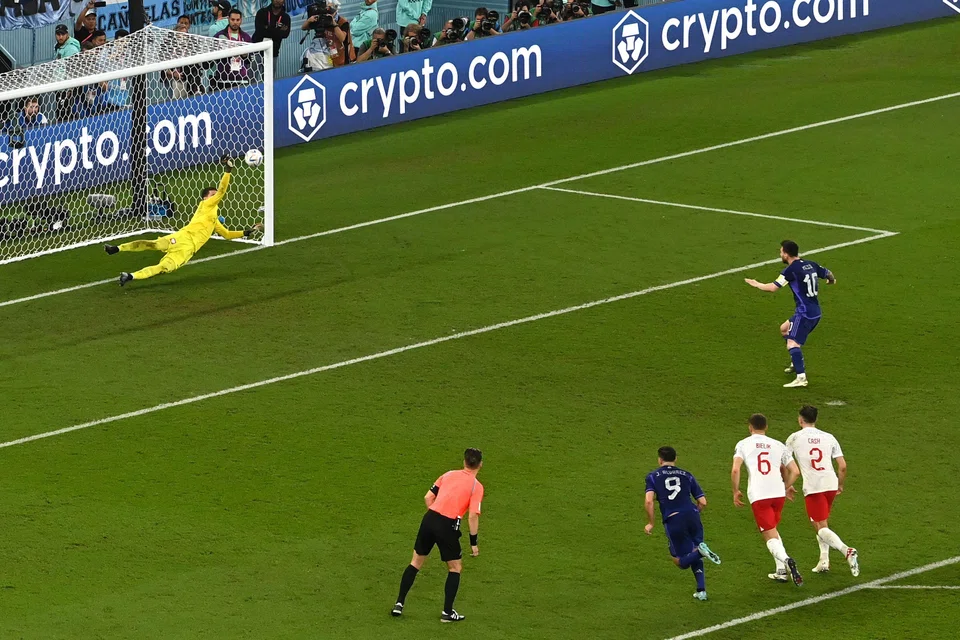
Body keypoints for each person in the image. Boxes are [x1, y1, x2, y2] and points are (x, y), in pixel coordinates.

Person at [106, 157, 261, 285]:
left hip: (186, 250)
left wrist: (246, 232)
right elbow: (222, 190)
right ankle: (117, 248)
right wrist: (228, 170)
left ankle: (130, 276)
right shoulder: (206, 205)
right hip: (181, 237)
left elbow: (226, 234)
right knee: (153, 244)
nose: (215, 197)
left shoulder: (214, 218)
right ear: (205, 198)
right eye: (212, 195)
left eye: (215, 195)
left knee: (162, 267)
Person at [391, 448, 484, 623]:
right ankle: (447, 613)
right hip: (447, 524)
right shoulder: (476, 486)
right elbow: (472, 516)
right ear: (480, 465)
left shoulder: (448, 474)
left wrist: (435, 518)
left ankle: (399, 604)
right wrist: (474, 542)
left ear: (464, 461)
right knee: (455, 568)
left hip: (429, 518)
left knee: (415, 562)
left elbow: (428, 498)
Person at [744, 240, 837, 388]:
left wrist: (757, 284)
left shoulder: (790, 271)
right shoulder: (811, 264)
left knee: (792, 343)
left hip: (804, 313)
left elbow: (773, 288)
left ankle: (801, 378)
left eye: (781, 252)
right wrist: (831, 281)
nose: (780, 254)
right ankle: (795, 361)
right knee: (784, 329)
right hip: (815, 311)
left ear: (786, 254)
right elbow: (828, 273)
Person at [785, 405, 859, 576]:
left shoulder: (794, 438)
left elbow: (785, 462)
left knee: (819, 526)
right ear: (816, 419)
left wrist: (787, 484)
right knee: (821, 523)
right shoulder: (829, 437)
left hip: (814, 486)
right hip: (831, 484)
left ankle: (846, 550)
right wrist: (840, 484)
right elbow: (842, 466)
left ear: (800, 419)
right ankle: (824, 561)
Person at [731, 413, 804, 586]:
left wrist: (735, 491)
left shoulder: (743, 444)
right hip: (778, 494)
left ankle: (786, 560)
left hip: (759, 494)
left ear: (750, 427)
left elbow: (735, 470)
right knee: (773, 529)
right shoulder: (778, 445)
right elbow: (795, 471)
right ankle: (781, 571)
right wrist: (785, 486)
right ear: (766, 427)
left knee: (769, 535)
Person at [643, 446, 721, 601]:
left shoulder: (652, 476)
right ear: (675, 459)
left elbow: (649, 501)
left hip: (674, 519)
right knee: (695, 549)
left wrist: (650, 523)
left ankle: (701, 553)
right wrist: (693, 513)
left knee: (680, 561)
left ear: (660, 460)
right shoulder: (687, 475)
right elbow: (703, 502)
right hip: (693, 515)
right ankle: (701, 590)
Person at [213, 9, 253, 89]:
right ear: (228, 19)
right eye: (233, 19)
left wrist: (245, 56)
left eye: (237, 20)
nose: (235, 22)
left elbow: (250, 60)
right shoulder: (219, 36)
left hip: (242, 80)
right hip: (223, 80)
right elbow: (213, 58)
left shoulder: (246, 37)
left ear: (241, 20)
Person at [253, 0, 291, 64]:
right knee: (254, 70)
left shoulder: (286, 17)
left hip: (273, 52)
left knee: (272, 71)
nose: (277, 0)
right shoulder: (262, 12)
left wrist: (267, 28)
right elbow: (260, 31)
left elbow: (285, 34)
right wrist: (278, 31)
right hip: (257, 51)